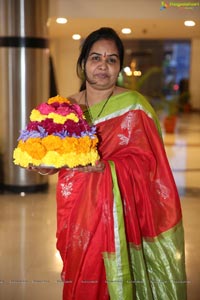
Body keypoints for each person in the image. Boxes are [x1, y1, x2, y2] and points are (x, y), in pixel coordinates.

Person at [30, 27, 187, 299]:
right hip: (77, 212)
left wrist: (109, 168)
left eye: (111, 59)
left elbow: (153, 166)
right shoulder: (63, 109)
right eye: (95, 58)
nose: (103, 65)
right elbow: (54, 161)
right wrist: (42, 165)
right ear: (83, 64)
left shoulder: (134, 106)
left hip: (121, 215)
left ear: (119, 67)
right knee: (82, 275)